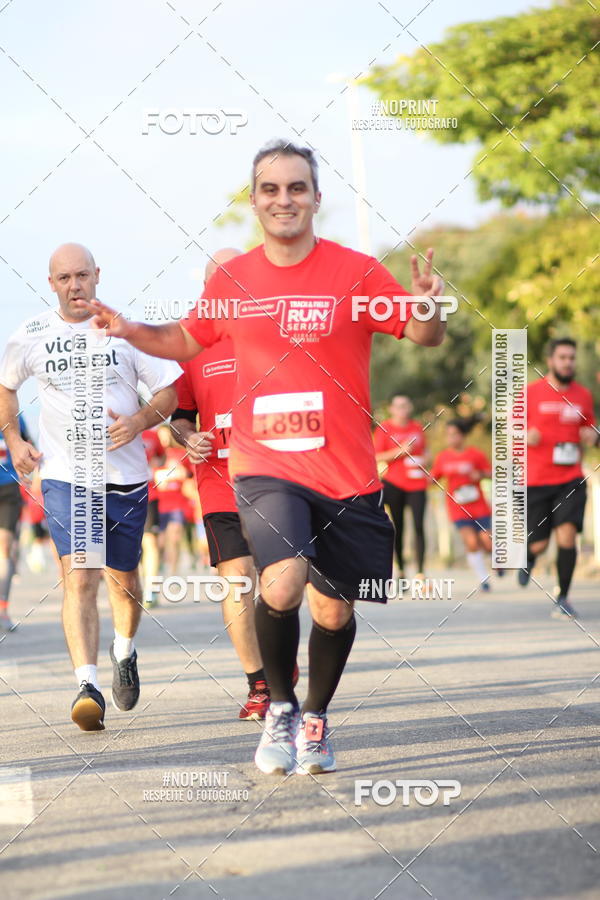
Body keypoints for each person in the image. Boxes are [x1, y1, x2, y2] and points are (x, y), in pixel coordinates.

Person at [80, 139, 446, 775]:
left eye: (296, 188)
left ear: (315, 198)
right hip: (264, 466)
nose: (284, 199)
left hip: (346, 469)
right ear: (254, 201)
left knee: (334, 607)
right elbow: (186, 339)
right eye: (271, 189)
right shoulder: (232, 278)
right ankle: (278, 706)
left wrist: (430, 305)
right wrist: (131, 328)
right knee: (279, 582)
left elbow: (421, 333)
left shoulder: (358, 273)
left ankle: (315, 718)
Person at [0, 243, 181, 730]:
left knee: (123, 583)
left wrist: (141, 420)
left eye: (82, 275)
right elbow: (6, 384)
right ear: (51, 282)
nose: (75, 285)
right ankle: (86, 684)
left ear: (97, 275)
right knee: (80, 576)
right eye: (65, 278)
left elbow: (170, 390)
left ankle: (124, 649)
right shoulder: (31, 335)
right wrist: (14, 438)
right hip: (66, 477)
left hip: (124, 477)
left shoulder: (125, 332)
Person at [171, 248, 274, 721]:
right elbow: (178, 416)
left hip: (278, 479)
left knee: (278, 585)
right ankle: (259, 684)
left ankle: (279, 654)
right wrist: (188, 437)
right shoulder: (190, 344)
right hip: (217, 482)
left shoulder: (278, 328)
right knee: (236, 580)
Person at [519, 338, 596, 618]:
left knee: (566, 536)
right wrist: (524, 436)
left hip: (570, 478)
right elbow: (505, 433)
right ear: (551, 361)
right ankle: (528, 555)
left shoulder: (583, 395)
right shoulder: (529, 393)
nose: (568, 362)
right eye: (562, 357)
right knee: (539, 543)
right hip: (535, 480)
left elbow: (591, 428)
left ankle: (563, 597)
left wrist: (593, 436)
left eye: (572, 358)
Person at [430, 418, 496, 590]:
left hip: (478, 505)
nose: (452, 438)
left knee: (487, 541)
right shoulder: (443, 457)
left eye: (455, 434)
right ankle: (483, 579)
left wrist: (480, 474)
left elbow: (490, 473)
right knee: (472, 542)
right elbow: (433, 478)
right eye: (449, 435)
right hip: (457, 507)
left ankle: (496, 560)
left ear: (463, 436)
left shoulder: (475, 454)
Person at [374, 395, 429, 579]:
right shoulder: (385, 429)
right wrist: (399, 452)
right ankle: (401, 568)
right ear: (392, 409)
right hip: (394, 483)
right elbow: (376, 456)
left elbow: (425, 451)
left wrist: (428, 458)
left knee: (419, 525)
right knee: (398, 526)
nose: (402, 409)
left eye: (405, 405)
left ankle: (420, 572)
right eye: (398, 406)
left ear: (410, 407)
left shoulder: (417, 427)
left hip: (417, 483)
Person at [0, 413, 30, 631]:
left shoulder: (14, 411)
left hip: (8, 486)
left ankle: (2, 610)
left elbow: (28, 443)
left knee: (5, 548)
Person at [140, 426, 164, 608]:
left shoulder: (153, 435)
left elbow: (161, 456)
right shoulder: (111, 427)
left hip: (149, 494)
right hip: (120, 495)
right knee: (131, 545)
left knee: (150, 542)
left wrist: (156, 464)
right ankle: (135, 586)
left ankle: (151, 589)